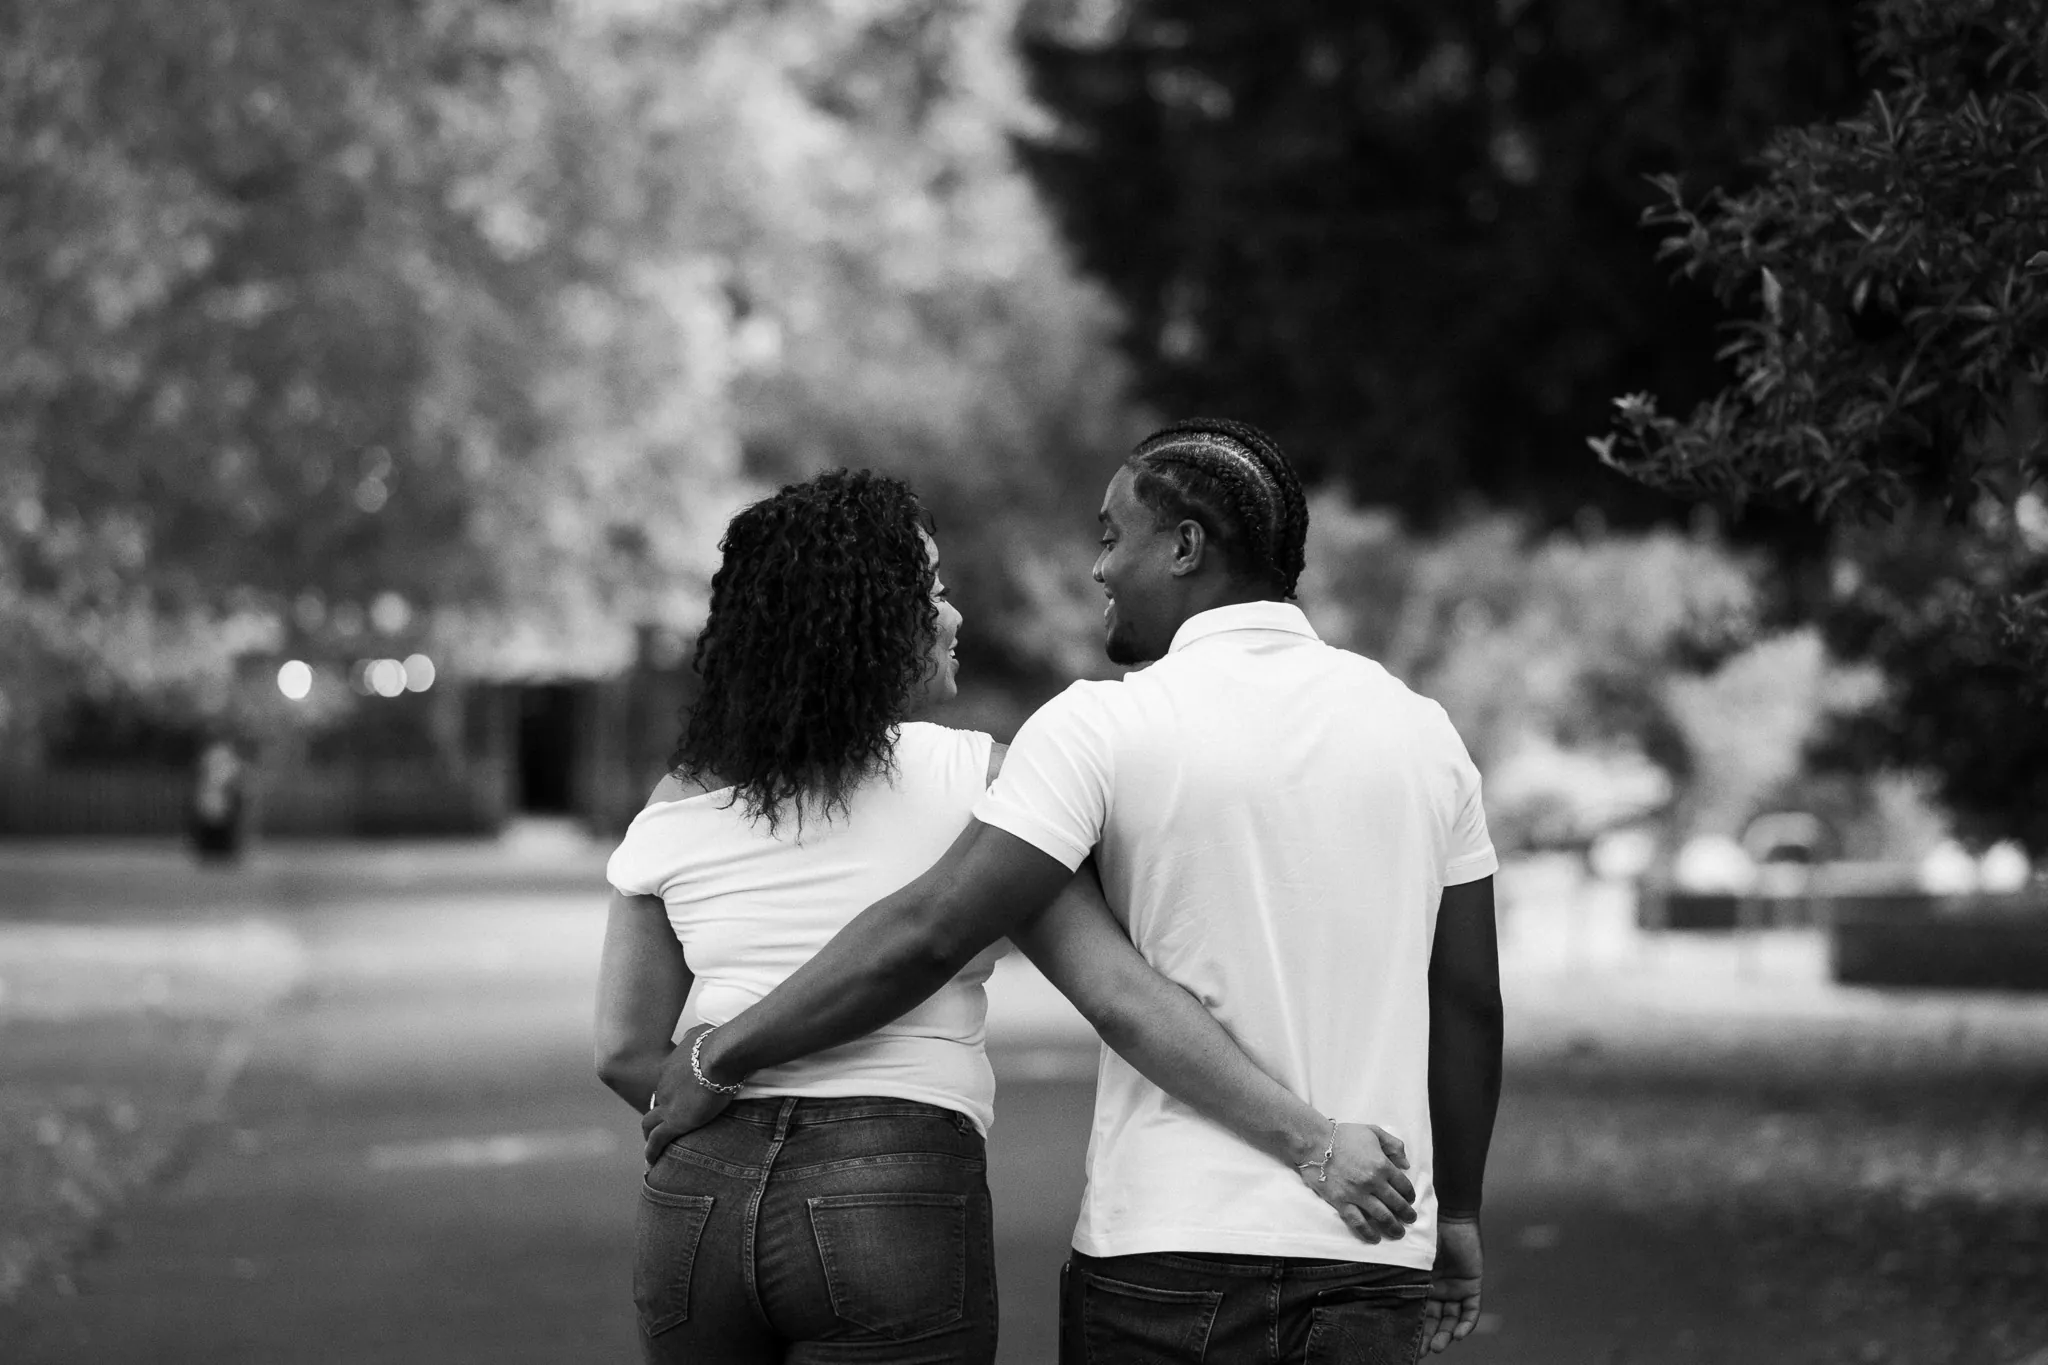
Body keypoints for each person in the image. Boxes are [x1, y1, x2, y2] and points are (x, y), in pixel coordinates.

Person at [645, 422, 1505, 1363]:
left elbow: (935, 928)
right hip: (1373, 1243)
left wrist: (718, 1053)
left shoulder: (1101, 726)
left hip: (1165, 1246)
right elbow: (1466, 999)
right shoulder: (1424, 735)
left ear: (1184, 546)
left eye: (1111, 537)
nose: (1098, 569)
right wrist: (1456, 1212)